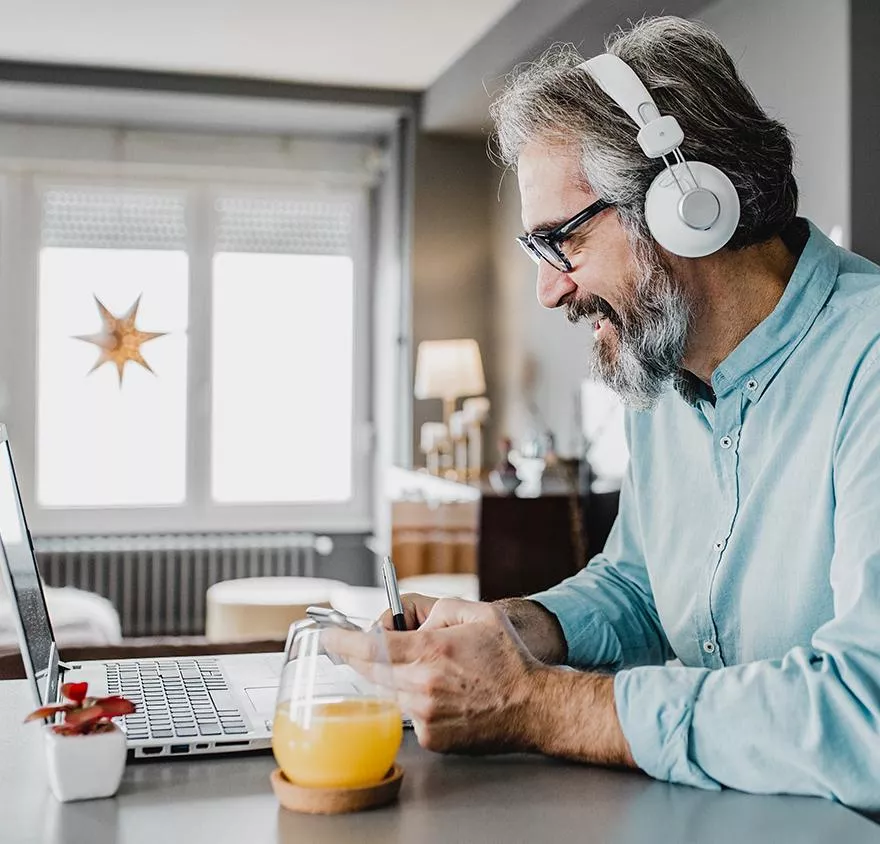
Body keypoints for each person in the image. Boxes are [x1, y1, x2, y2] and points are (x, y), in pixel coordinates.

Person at [330, 16, 880, 810]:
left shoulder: (867, 361)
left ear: (687, 204)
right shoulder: (663, 373)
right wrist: (511, 630)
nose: (550, 288)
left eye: (562, 242)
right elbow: (642, 588)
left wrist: (533, 703)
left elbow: (865, 713)